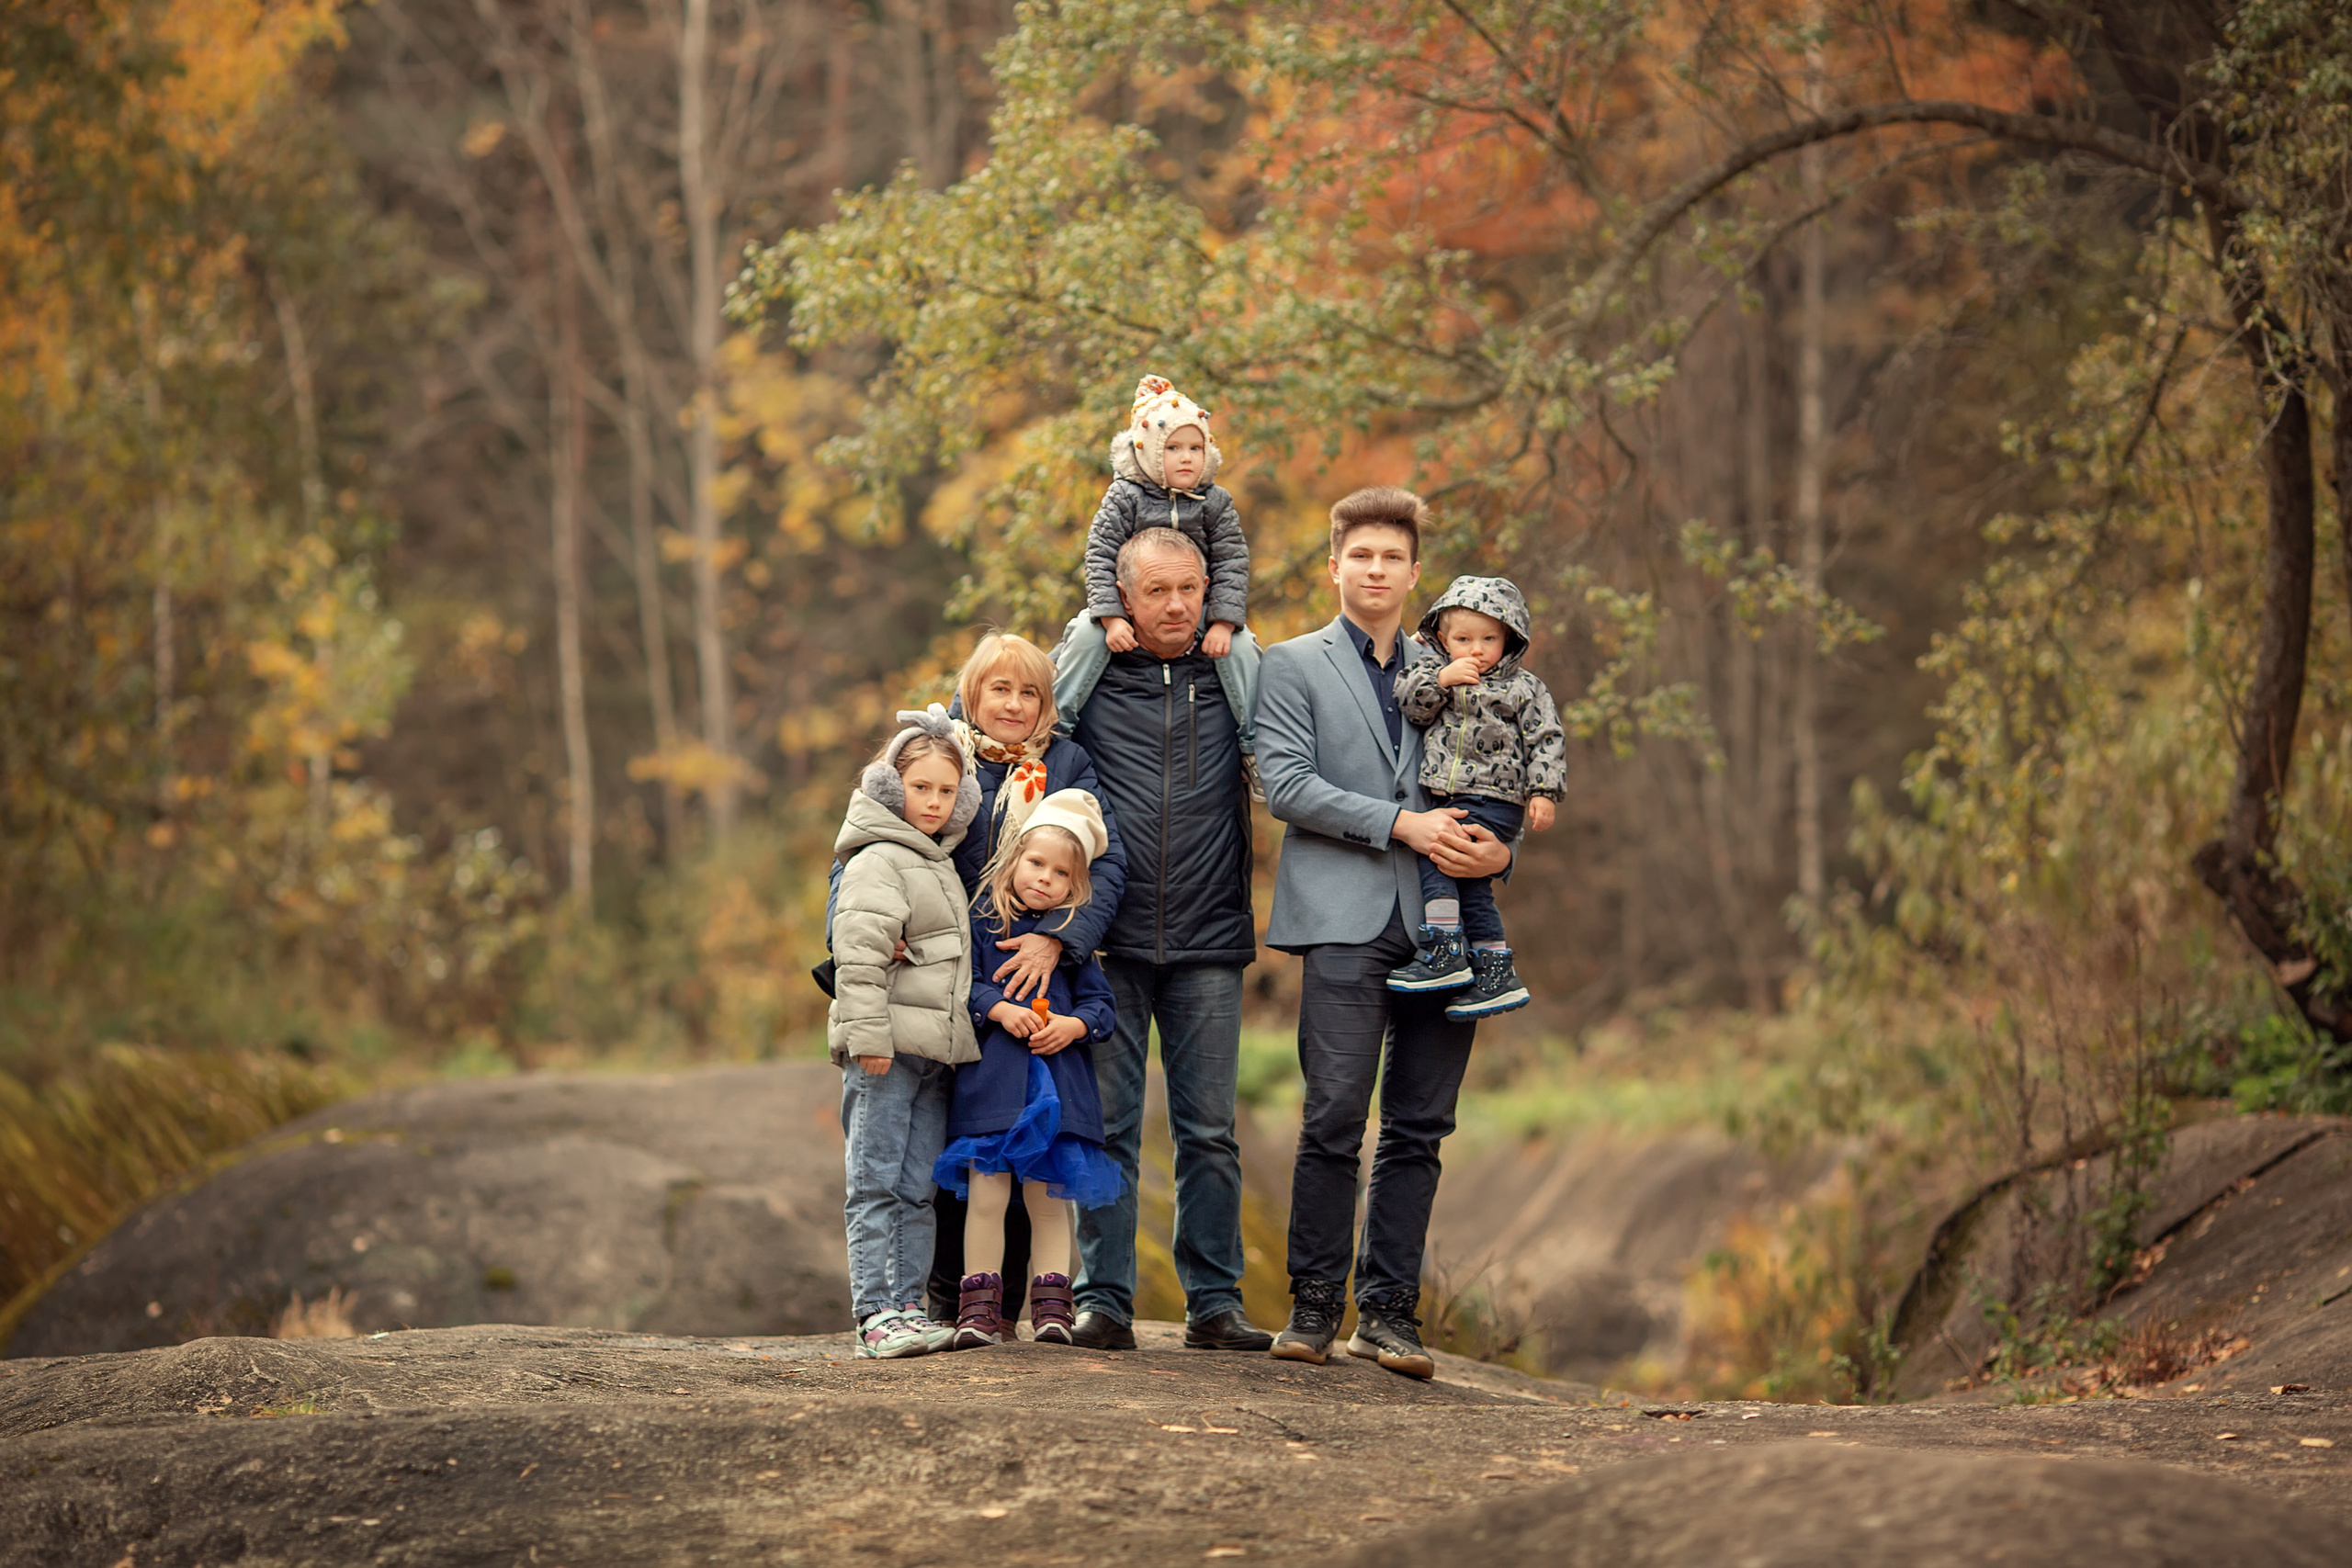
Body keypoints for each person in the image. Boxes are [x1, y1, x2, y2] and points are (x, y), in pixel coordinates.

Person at [1253, 487, 1517, 1379]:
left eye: (1391, 558)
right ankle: (1315, 1305)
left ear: (1414, 574)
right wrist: (1401, 826)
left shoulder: (1456, 665)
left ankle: (1390, 1315)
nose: (1375, 570)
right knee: (1332, 1116)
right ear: (1335, 566)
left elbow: (1501, 777)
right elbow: (1283, 785)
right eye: (1359, 555)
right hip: (1341, 920)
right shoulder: (1288, 667)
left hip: (1446, 921)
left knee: (1419, 1124)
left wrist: (1494, 850)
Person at [1060, 527, 1272, 1352]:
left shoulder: (1234, 669)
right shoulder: (1092, 669)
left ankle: (1214, 1302)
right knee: (1108, 1125)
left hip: (1211, 934)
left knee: (1209, 1130)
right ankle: (1102, 1299)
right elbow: (1019, 733)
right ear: (1126, 597)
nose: (1177, 604)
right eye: (1157, 590)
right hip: (1106, 939)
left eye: (1189, 586)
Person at [922, 632, 1129, 1327]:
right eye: (999, 689)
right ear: (972, 695)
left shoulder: (1068, 763)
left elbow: (1101, 864)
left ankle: (1034, 1301)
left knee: (1039, 1182)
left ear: (1048, 705)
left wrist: (1057, 936)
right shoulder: (942, 752)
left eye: (1029, 692)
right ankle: (956, 1297)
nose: (1012, 704)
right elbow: (887, 840)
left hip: (1044, 972)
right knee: (969, 1156)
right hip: (955, 964)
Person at [933, 792, 1125, 1348]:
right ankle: (979, 1311)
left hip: (1057, 1094)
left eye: (1060, 872)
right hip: (994, 1091)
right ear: (1014, 859)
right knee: (988, 1196)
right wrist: (998, 1007)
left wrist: (1074, 1026)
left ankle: (1052, 1310)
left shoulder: (1071, 947)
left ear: (1075, 886)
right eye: (1036, 863)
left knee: (1048, 1203)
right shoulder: (982, 922)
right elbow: (961, 985)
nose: (1044, 878)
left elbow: (1102, 1008)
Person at [826, 705, 983, 1359]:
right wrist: (868, 1038)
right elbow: (858, 954)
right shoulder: (879, 858)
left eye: (947, 790)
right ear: (893, 787)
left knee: (918, 1187)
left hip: (931, 1055)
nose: (935, 801)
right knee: (876, 1180)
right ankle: (874, 1313)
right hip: (884, 1049)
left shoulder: (935, 860)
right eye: (921, 787)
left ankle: (909, 1305)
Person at [1385, 576, 1565, 1018]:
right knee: (1473, 888)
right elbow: (1410, 702)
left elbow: (1546, 738)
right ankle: (1495, 970)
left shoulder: (1524, 688)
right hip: (1450, 793)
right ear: (1442, 640)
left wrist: (1544, 791)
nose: (1476, 650)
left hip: (1496, 798)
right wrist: (1443, 679)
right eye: (1463, 639)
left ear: (1509, 639)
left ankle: (1444, 950)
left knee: (1437, 855)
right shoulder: (1435, 672)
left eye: (1489, 639)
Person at [1052, 375, 1260, 755]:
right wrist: (1112, 617)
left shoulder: (1215, 501)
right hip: (1132, 606)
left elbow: (1232, 559)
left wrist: (1224, 622)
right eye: (1174, 448)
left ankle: (1254, 746)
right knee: (1084, 636)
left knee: (1243, 649)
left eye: (1196, 448)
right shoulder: (1124, 496)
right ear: (1146, 450)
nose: (1186, 457)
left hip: (1196, 608)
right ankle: (1053, 729)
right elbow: (1100, 556)